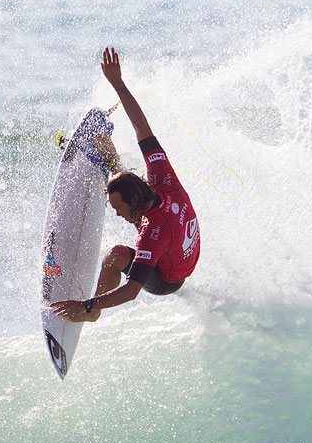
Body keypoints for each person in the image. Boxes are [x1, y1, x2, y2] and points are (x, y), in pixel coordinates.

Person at [51, 47, 200, 323]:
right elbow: (142, 127)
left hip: (171, 276)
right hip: (177, 242)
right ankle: (110, 159)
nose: (116, 213)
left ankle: (92, 315)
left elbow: (131, 291)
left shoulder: (152, 233)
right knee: (122, 175)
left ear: (134, 207)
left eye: (119, 208)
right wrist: (118, 83)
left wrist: (85, 304)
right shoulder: (161, 176)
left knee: (115, 255)